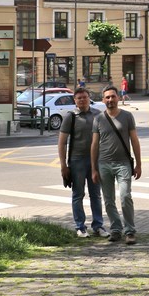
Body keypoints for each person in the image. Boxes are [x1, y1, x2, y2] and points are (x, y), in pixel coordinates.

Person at [91, 86, 142, 245]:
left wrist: (138, 164)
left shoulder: (127, 116)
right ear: (103, 100)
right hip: (104, 164)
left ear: (118, 98)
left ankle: (130, 231)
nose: (110, 100)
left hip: (123, 164)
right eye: (107, 97)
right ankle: (115, 229)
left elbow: (134, 140)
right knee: (108, 200)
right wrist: (93, 168)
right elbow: (94, 144)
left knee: (125, 196)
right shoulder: (98, 119)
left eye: (113, 96)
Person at [58, 88, 109, 239]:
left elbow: (105, 138)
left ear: (89, 98)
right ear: (75, 100)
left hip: (95, 161)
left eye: (84, 97)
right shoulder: (71, 117)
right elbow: (62, 143)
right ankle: (80, 227)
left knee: (96, 194)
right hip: (77, 161)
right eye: (79, 98)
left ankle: (98, 225)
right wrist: (63, 166)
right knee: (78, 194)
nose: (82, 100)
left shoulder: (98, 115)